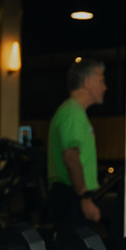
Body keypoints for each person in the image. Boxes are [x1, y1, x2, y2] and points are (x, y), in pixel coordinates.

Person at [48, 58, 107, 231]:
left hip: (72, 195)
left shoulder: (73, 112)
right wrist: (84, 198)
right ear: (87, 82)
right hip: (71, 196)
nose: (105, 87)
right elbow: (71, 156)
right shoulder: (72, 113)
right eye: (102, 81)